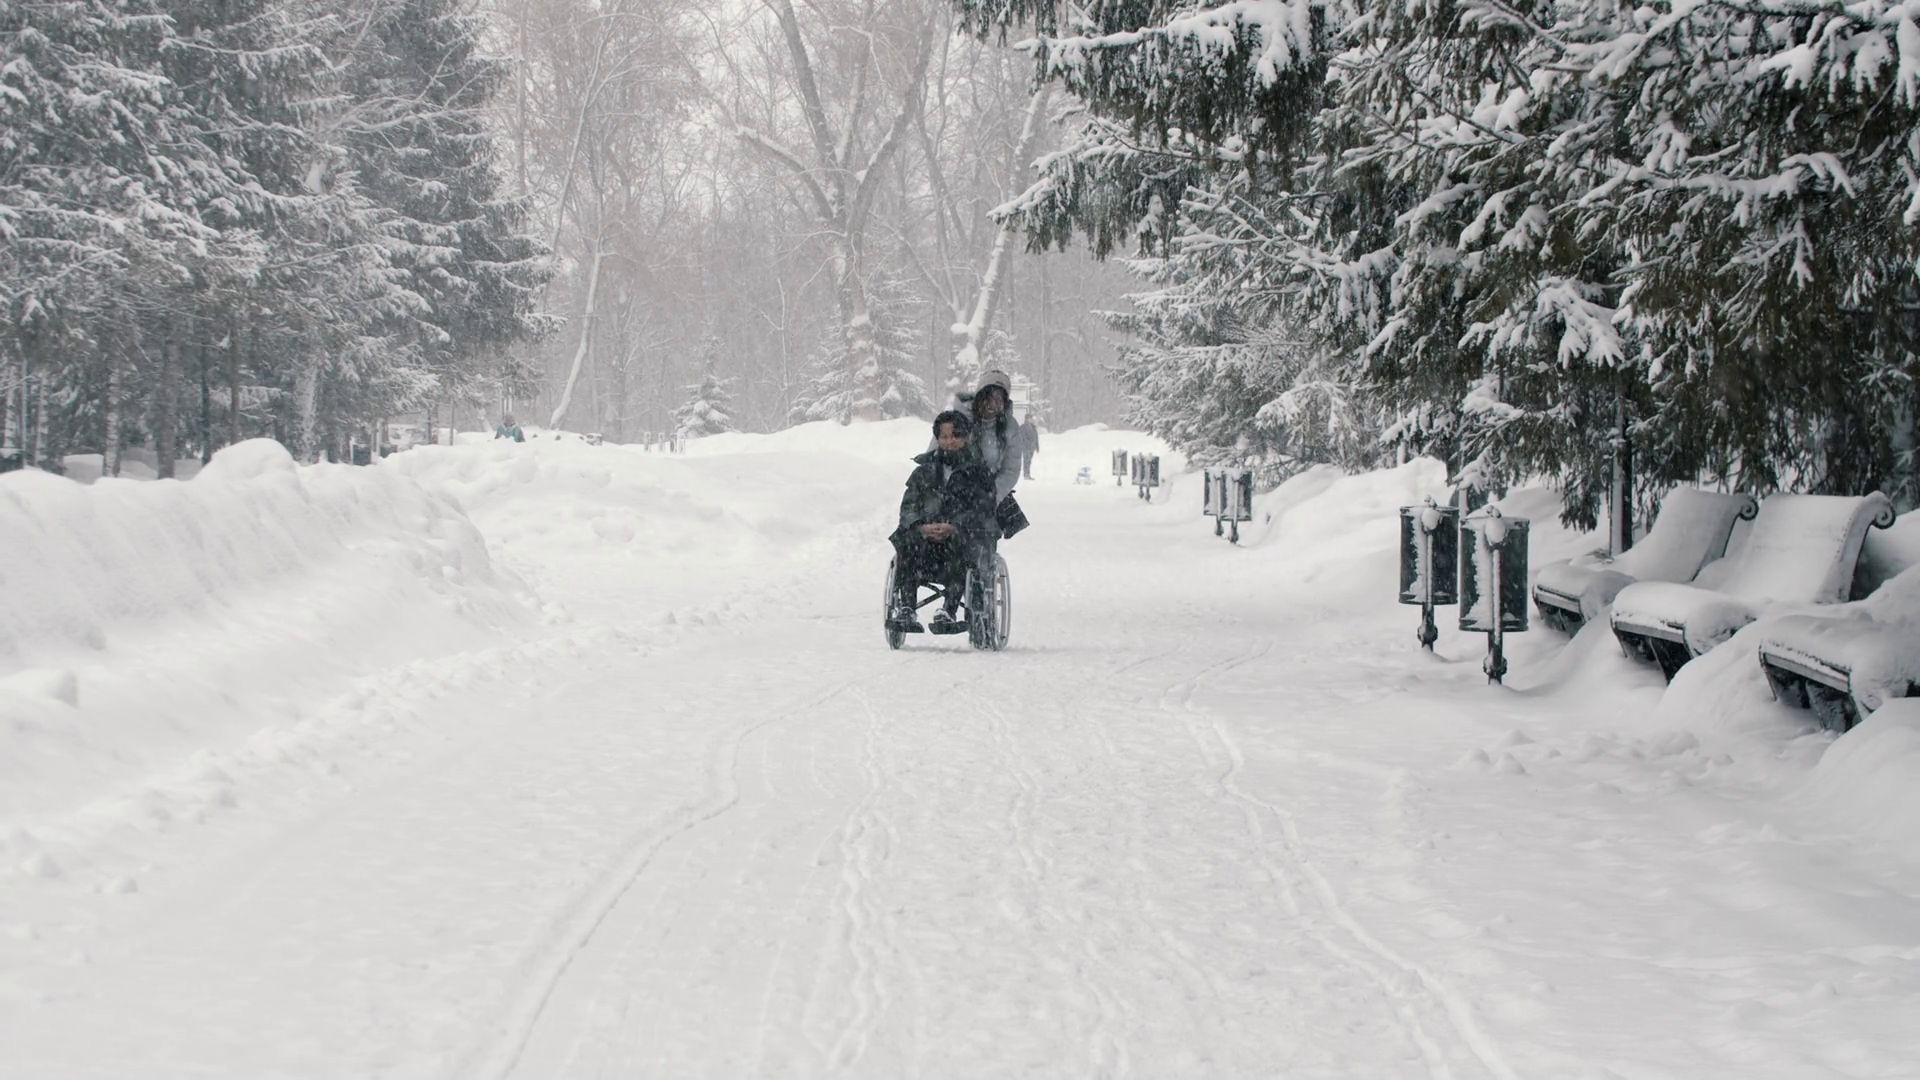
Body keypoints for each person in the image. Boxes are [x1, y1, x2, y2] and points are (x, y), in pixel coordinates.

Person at [890, 410, 997, 633]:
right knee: (907, 541)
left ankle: (948, 610)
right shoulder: (923, 471)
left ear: (966, 437)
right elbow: (908, 506)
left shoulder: (979, 472)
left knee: (963, 545)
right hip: (925, 542)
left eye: (955, 436)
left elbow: (983, 509)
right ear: (937, 439)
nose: (949, 442)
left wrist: (955, 526)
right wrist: (921, 526)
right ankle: (907, 608)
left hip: (960, 539)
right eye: (944, 436)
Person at [1017, 414, 1040, 480]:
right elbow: (1022, 438)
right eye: (1029, 418)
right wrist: (1027, 444)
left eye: (1031, 418)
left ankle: (1028, 474)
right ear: (1026, 419)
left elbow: (1036, 437)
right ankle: (1026, 474)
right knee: (1026, 461)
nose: (1030, 420)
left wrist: (1037, 446)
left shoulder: (1033, 427)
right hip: (1026, 447)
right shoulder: (1023, 427)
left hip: (1032, 447)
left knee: (1029, 461)